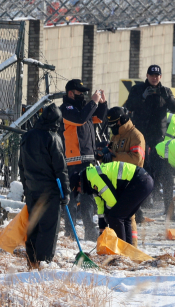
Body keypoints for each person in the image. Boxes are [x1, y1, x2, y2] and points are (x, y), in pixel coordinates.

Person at [18, 103, 69, 269]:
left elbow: (22, 165)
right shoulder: (53, 138)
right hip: (50, 191)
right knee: (48, 228)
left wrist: (26, 188)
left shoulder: (27, 136)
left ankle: (31, 261)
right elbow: (60, 168)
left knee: (33, 226)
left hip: (32, 189)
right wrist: (65, 192)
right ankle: (44, 262)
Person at [59, 79, 108, 241]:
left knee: (88, 198)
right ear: (70, 93)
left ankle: (90, 231)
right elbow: (79, 119)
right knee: (72, 200)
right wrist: (93, 102)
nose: (83, 95)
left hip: (87, 161)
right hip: (72, 162)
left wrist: (101, 104)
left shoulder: (83, 109)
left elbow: (99, 118)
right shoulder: (66, 109)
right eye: (79, 92)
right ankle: (70, 233)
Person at [125, 65, 175, 205]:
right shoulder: (137, 89)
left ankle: (157, 193)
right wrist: (143, 97)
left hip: (158, 134)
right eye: (152, 75)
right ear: (147, 76)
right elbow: (129, 106)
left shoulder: (165, 91)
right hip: (141, 133)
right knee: (143, 164)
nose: (154, 78)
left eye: (157, 76)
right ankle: (144, 196)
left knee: (160, 165)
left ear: (160, 77)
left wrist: (167, 98)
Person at [70, 161, 153, 243]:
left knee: (115, 217)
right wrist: (102, 228)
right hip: (143, 181)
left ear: (80, 183)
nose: (79, 192)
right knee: (124, 217)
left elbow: (112, 201)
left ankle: (121, 251)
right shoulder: (91, 181)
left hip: (140, 181)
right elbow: (100, 206)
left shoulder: (93, 178)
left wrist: (108, 216)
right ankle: (127, 251)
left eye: (77, 190)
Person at [98, 106, 146, 246]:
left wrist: (113, 158)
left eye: (114, 125)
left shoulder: (136, 136)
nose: (112, 128)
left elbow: (137, 159)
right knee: (117, 216)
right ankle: (120, 246)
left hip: (132, 182)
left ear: (121, 121)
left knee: (128, 216)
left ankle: (133, 248)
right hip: (118, 182)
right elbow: (111, 152)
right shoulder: (116, 135)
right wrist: (103, 155)